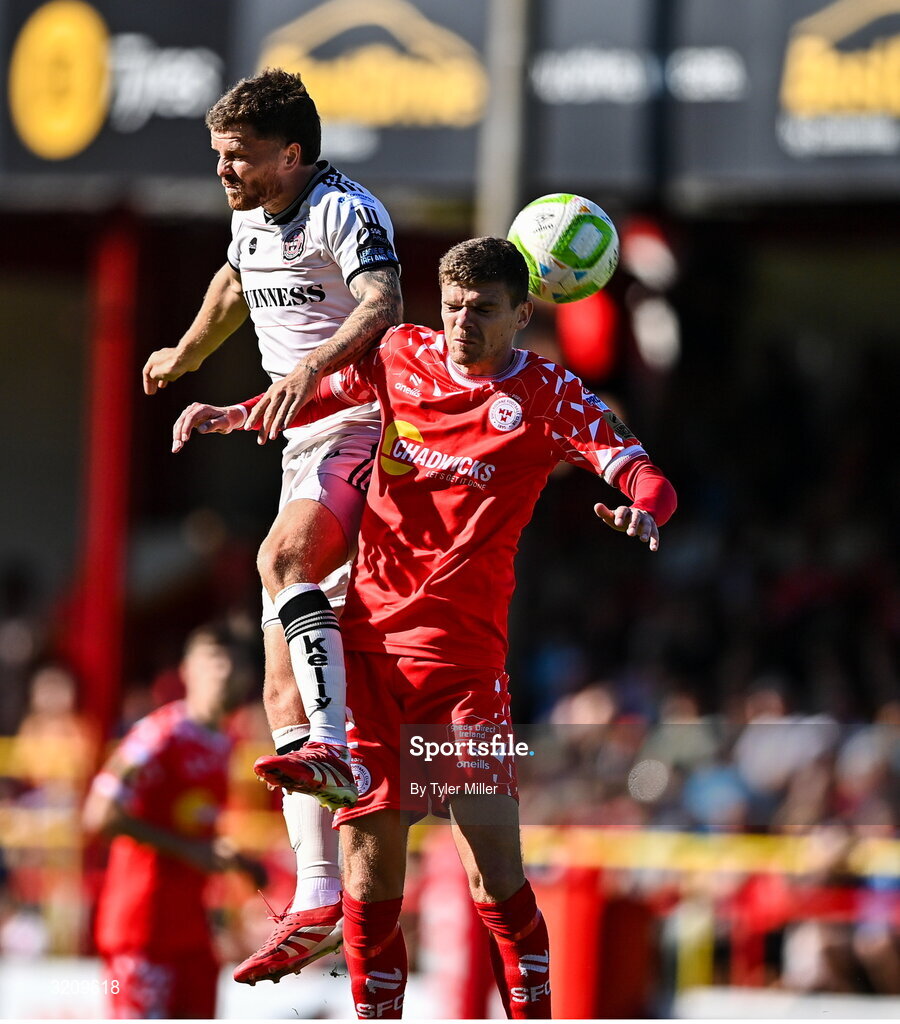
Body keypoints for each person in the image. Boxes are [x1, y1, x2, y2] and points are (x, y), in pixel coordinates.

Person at [173, 237, 677, 1018]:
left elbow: (641, 471)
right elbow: (320, 393)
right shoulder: (402, 353)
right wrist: (236, 413)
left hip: (464, 671)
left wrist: (644, 508)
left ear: (522, 313)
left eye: (480, 311)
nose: (460, 325)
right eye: (450, 307)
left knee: (492, 874)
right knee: (371, 882)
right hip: (368, 654)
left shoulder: (550, 396)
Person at [141, 67, 403, 984]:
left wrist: (312, 370)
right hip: (304, 437)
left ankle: (338, 754)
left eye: (238, 158)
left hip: (371, 424)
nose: (224, 172)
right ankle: (318, 897)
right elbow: (232, 281)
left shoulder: (343, 209)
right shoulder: (252, 220)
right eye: (218, 156)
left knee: (281, 554)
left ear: (292, 156)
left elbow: (381, 304)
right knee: (280, 691)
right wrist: (189, 358)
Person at [82, 624, 266, 1019]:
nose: (227, 671)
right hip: (141, 932)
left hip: (191, 938)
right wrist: (189, 850)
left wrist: (239, 863)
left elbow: (190, 822)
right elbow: (99, 813)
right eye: (215, 660)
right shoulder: (159, 734)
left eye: (237, 662)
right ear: (186, 671)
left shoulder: (225, 741)